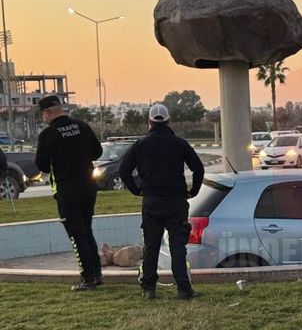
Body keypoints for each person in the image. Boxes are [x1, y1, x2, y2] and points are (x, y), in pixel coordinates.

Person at [119, 103, 204, 300]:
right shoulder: (179, 143)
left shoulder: (140, 145)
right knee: (177, 247)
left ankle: (149, 288)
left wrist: (136, 190)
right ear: (168, 121)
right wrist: (193, 191)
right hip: (176, 202)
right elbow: (198, 169)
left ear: (149, 122)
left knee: (151, 246)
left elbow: (124, 170)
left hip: (151, 202)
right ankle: (183, 288)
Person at [34, 95, 104, 290]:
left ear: (48, 113)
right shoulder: (82, 126)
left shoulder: (48, 135)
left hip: (67, 190)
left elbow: (42, 165)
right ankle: (96, 273)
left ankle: (87, 278)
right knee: (87, 230)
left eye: (43, 115)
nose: (43, 118)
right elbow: (97, 152)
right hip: (88, 186)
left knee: (76, 233)